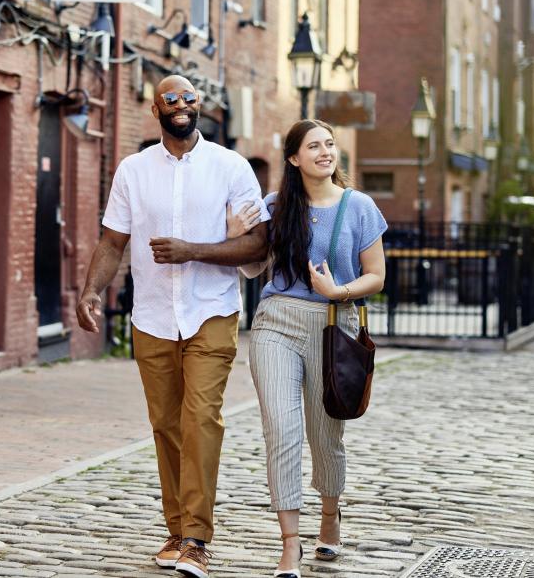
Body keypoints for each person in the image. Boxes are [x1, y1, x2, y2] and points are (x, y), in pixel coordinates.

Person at [76, 75, 269, 578]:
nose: (181, 106)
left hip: (212, 311)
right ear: (155, 109)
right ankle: (177, 529)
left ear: (199, 106)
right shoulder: (133, 170)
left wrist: (193, 251)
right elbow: (113, 240)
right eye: (170, 100)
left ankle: (197, 539)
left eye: (188, 99)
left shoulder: (231, 167)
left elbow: (257, 246)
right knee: (165, 425)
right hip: (154, 316)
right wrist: (92, 289)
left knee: (201, 418)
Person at [226, 119, 386, 578]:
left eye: (330, 144)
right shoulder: (276, 206)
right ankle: (290, 544)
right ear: (294, 158)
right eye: (314, 146)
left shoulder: (360, 207)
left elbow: (376, 275)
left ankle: (330, 517)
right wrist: (236, 232)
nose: (325, 152)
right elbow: (255, 270)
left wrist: (339, 291)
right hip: (276, 324)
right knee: (281, 429)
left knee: (326, 436)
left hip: (333, 327)